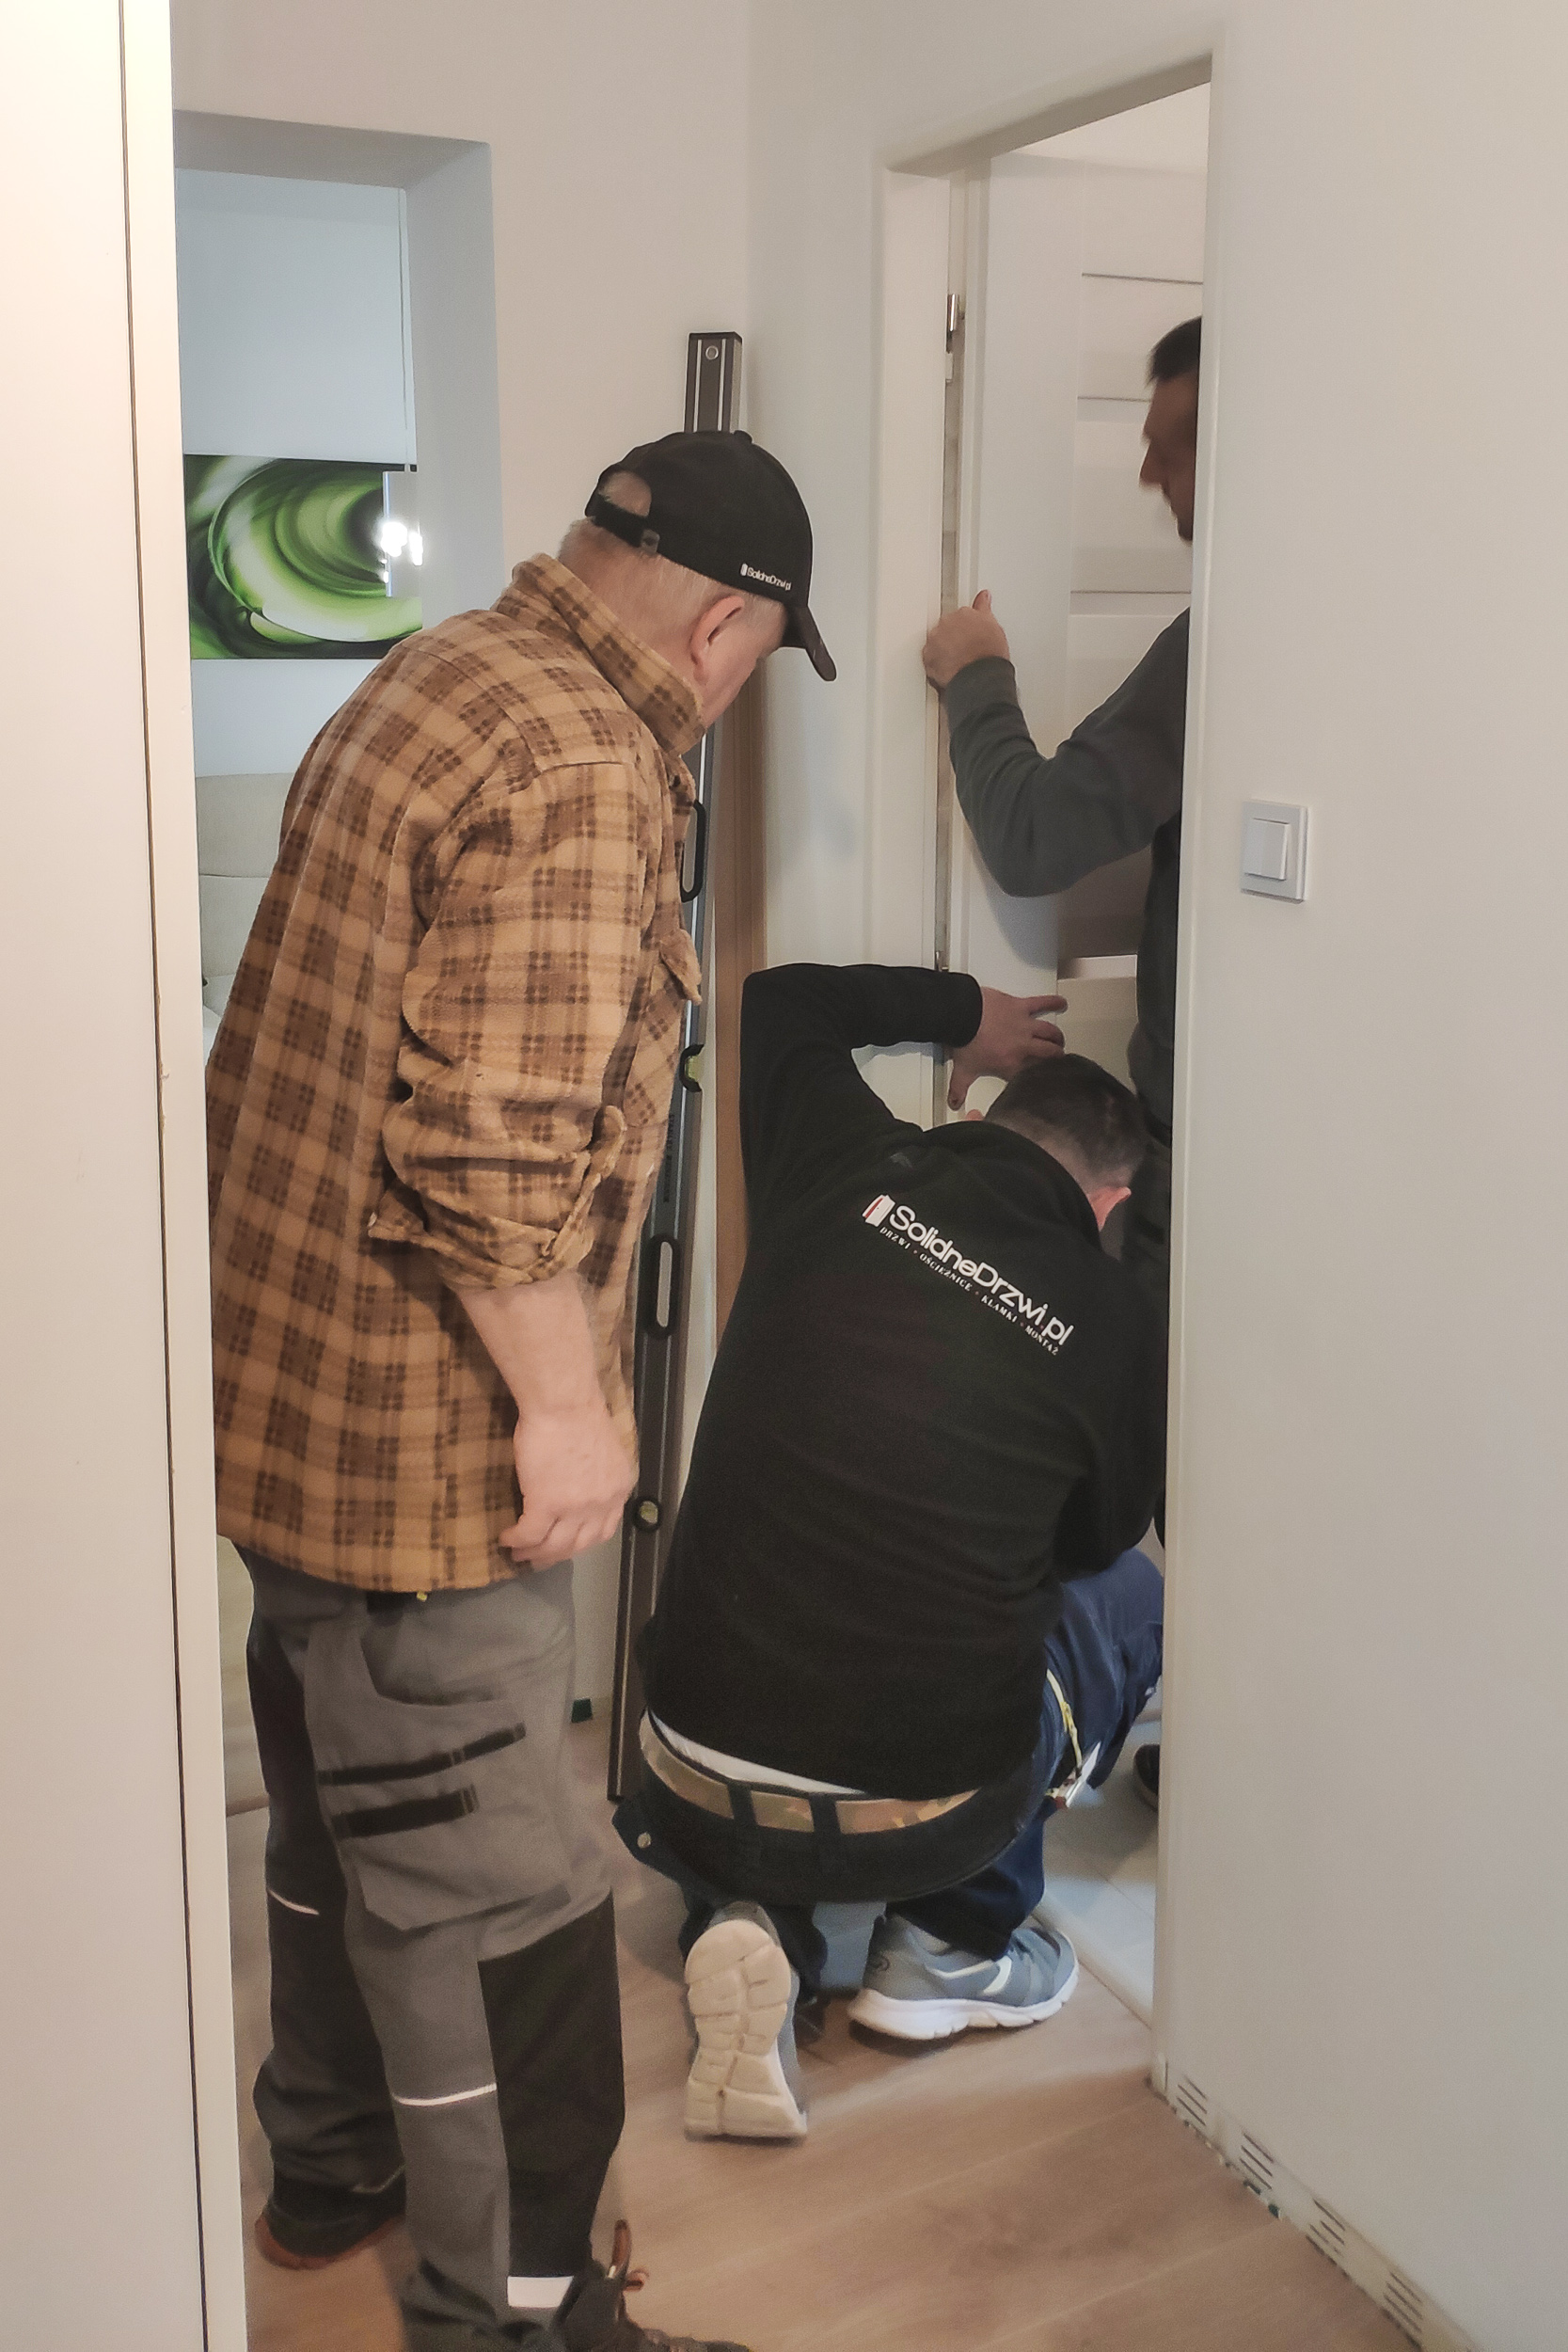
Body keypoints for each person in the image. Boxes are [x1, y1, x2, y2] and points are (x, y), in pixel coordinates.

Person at [207, 430, 833, 2352]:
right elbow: (485, 1150)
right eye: (754, 663)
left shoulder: (441, 671)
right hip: (427, 1462)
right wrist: (568, 1409)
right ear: (722, 629)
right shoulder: (582, 762)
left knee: (339, 1819)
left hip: (287, 1415)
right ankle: (521, 2318)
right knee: (499, 1904)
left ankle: (331, 2169)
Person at [616, 961, 1165, 2142]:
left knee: (800, 1578)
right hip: (915, 1810)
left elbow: (781, 1002)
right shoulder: (1113, 1318)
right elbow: (1091, 1541)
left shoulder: (842, 1158)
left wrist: (966, 1017)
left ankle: (749, 1913)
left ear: (986, 1115)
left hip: (676, 1766)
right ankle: (946, 1942)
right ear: (1111, 1204)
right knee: (1124, 1599)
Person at [921, 314, 1201, 1809]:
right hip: (1274, 1157)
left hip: (1198, 1165)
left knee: (1160, 1474)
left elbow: (1030, 834)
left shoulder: (1220, 644)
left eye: (1175, 442)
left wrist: (973, 674)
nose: (1148, 472)